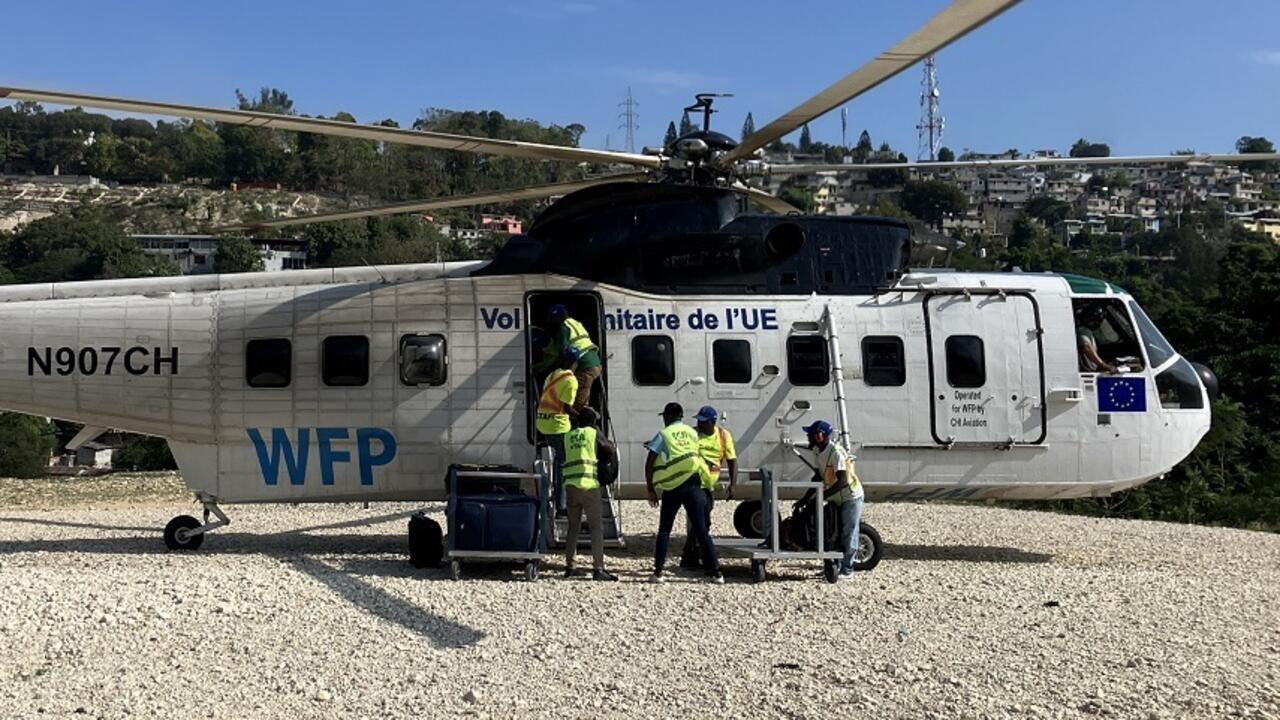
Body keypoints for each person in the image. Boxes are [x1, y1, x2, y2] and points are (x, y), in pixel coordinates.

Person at [645, 402, 723, 584]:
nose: (664, 419)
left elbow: (650, 461)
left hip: (673, 487)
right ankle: (716, 573)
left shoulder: (663, 434)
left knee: (665, 529)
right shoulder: (692, 432)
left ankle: (658, 573)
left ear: (669, 416)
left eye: (664, 416)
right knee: (701, 529)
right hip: (694, 484)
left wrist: (650, 488)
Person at [798, 420, 863, 581]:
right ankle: (834, 565)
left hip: (850, 497)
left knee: (849, 532)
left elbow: (843, 481)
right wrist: (805, 498)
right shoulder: (817, 452)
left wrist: (823, 496)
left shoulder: (836, 453)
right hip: (836, 497)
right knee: (834, 532)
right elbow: (818, 477)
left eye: (810, 434)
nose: (808, 437)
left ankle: (847, 569)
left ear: (820, 436)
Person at [560, 408, 619, 581]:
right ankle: (598, 569)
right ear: (593, 422)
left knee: (573, 527)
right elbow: (609, 449)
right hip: (588, 485)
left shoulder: (568, 436)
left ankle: (570, 567)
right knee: (596, 528)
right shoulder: (593, 434)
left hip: (571, 485)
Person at [680, 405, 737, 569]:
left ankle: (690, 556)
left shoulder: (723, 436)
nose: (699, 424)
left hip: (708, 486)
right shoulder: (693, 434)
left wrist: (733, 484)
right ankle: (698, 557)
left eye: (703, 422)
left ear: (713, 422)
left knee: (702, 523)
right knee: (703, 522)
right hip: (693, 484)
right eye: (698, 420)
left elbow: (732, 460)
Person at [536, 348, 580, 513]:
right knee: (563, 464)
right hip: (557, 425)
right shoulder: (571, 380)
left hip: (543, 422)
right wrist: (583, 418)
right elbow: (567, 407)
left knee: (558, 460)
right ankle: (561, 505)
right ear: (575, 362)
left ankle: (557, 496)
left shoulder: (553, 374)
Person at [548, 304, 602, 412]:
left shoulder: (563, 328)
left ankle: (581, 426)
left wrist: (553, 368)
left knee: (577, 404)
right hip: (595, 364)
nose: (552, 322)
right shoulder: (576, 323)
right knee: (583, 398)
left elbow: (564, 352)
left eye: (553, 319)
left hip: (584, 366)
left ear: (557, 317)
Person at [1075, 305, 1117, 374]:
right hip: (1091, 371)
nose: (1098, 324)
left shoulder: (1087, 331)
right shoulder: (1083, 331)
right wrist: (1102, 365)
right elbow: (1086, 347)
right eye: (1096, 321)